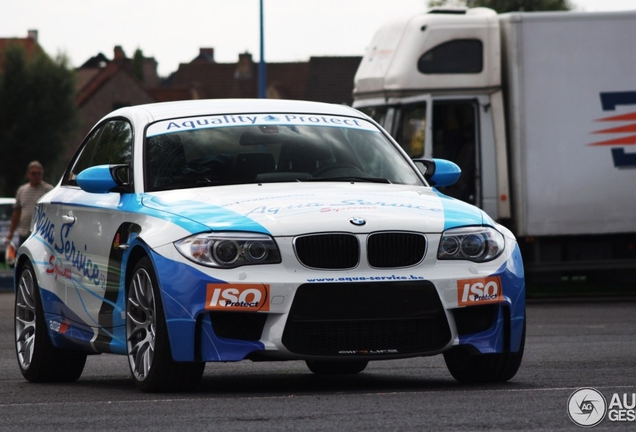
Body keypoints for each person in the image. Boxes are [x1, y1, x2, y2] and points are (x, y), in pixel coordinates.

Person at [5, 161, 53, 247]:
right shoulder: (22, 190)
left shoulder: (48, 190)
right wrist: (11, 232)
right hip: (24, 233)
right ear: (28, 174)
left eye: (39, 173)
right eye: (34, 173)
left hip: (41, 234)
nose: (37, 176)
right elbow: (17, 212)